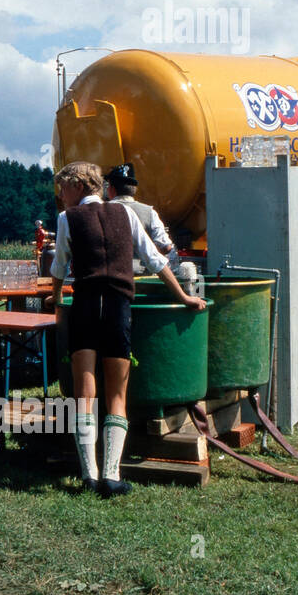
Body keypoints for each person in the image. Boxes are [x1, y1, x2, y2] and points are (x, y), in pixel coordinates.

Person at [49, 161, 206, 497]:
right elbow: (157, 261)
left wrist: (56, 298)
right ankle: (111, 476)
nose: (61, 197)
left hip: (87, 306)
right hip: (118, 306)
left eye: (63, 188)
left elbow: (60, 267)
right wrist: (183, 296)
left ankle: (88, 475)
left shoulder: (67, 219)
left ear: (78, 185)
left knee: (84, 393)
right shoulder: (128, 216)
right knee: (117, 395)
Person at [105, 162, 178, 268]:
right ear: (134, 190)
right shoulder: (149, 212)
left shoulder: (101, 210)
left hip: (112, 275)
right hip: (144, 277)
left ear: (112, 189)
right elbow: (166, 247)